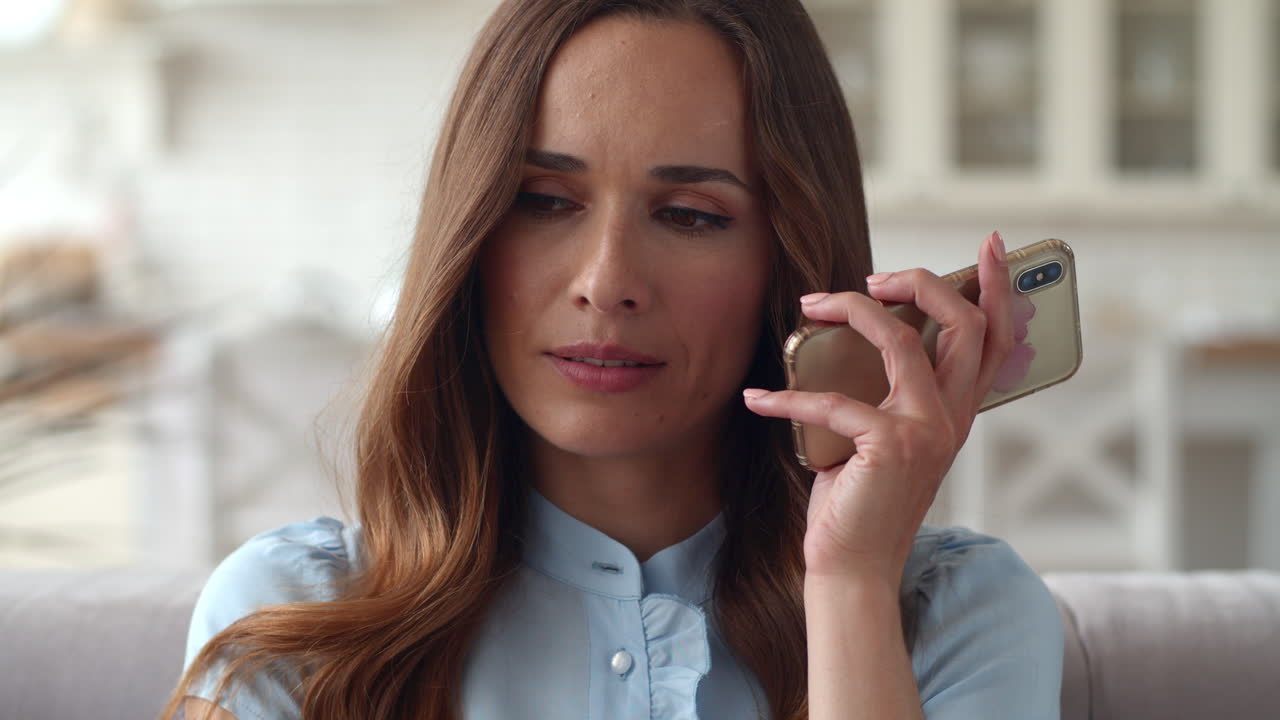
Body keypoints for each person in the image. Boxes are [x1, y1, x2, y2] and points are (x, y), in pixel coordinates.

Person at [165, 1, 1063, 718]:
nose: (607, 282)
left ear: (786, 266)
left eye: (692, 215)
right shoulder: (293, 618)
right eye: (546, 201)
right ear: (469, 236)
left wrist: (851, 583)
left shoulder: (959, 614)